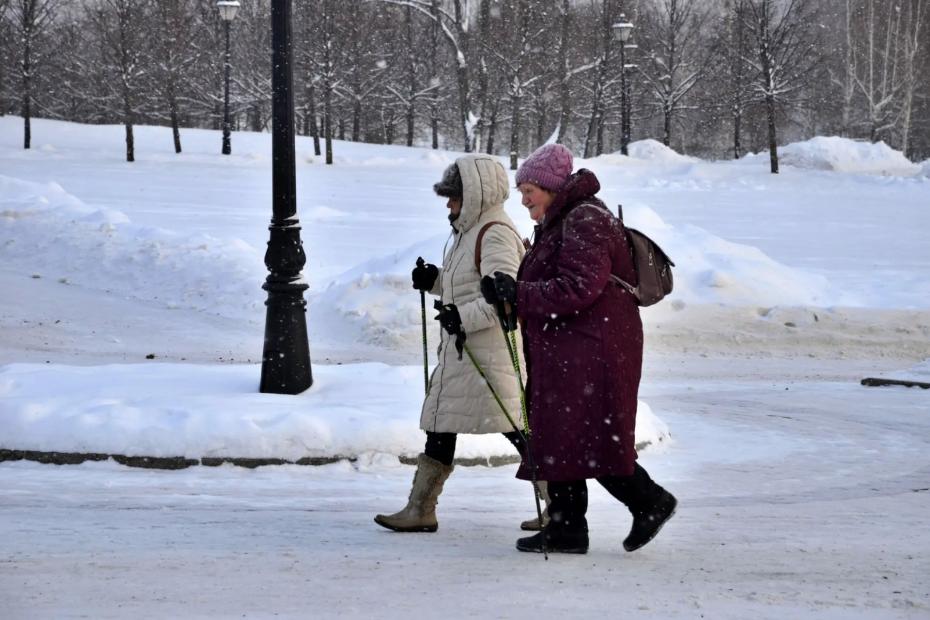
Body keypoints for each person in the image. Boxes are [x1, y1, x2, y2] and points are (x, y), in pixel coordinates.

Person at [481, 143, 677, 554]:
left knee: (586, 438)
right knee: (562, 437)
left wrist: (518, 292)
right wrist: (508, 292)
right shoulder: (563, 220)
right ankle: (568, 529)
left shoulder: (585, 220)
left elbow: (577, 288)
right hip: (572, 349)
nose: (523, 198)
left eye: (529, 188)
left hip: (592, 351)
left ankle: (649, 501)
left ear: (552, 186)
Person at [374, 154, 530, 533]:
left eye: (454, 196)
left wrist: (462, 317)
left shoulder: (494, 232)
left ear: (475, 195)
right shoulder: (469, 231)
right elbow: (470, 285)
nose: (448, 204)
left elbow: (504, 297)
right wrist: (435, 280)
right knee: (441, 425)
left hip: (487, 354)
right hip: (465, 352)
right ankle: (420, 509)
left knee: (519, 428)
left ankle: (561, 506)